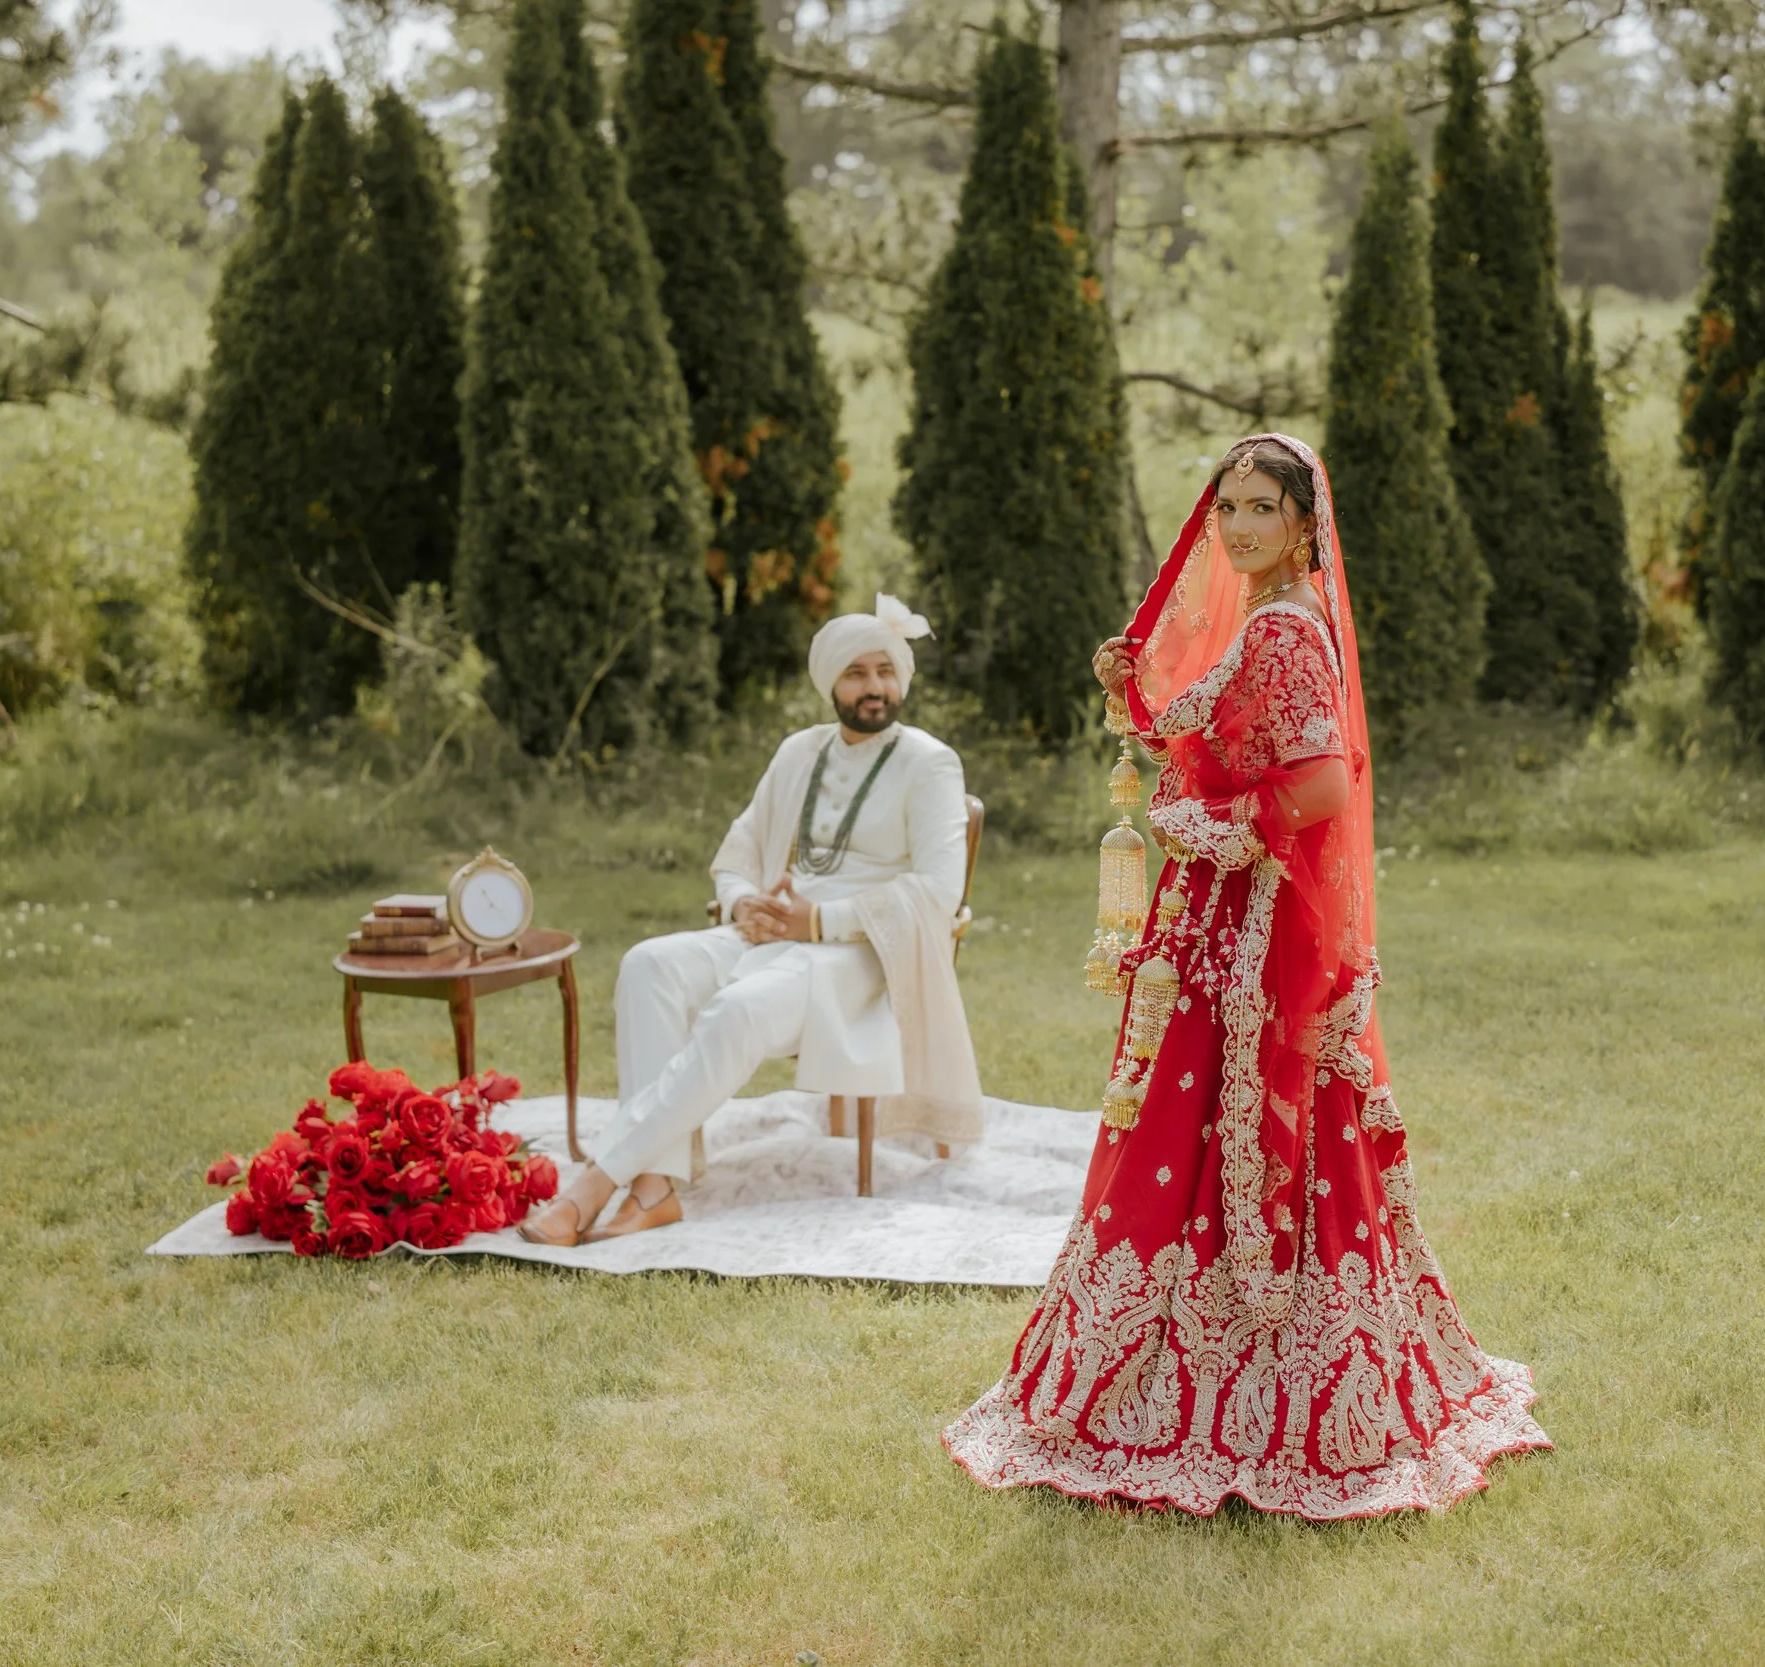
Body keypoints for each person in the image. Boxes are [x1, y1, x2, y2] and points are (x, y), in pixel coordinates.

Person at [942, 435, 1548, 1519]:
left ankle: (1253, 1385)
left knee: (1228, 1126)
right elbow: (1221, 732)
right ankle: (1258, 1366)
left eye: (1262, 507)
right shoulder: (1278, 618)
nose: (1236, 526)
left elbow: (1319, 787)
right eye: (1226, 507)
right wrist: (1147, 714)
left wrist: (1201, 822)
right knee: (1210, 1128)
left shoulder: (1284, 628)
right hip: (1229, 916)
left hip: (1253, 923)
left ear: (1306, 522)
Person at [521, 597, 982, 1245]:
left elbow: (937, 891)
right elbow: (738, 854)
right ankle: (654, 1188)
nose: (874, 687)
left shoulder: (929, 762)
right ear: (831, 683)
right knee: (648, 965)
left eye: (885, 671)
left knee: (736, 1009)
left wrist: (817, 920)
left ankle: (593, 1186)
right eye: (856, 673)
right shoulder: (799, 752)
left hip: (862, 956)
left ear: (901, 679)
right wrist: (744, 903)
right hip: (771, 933)